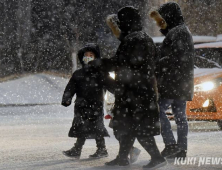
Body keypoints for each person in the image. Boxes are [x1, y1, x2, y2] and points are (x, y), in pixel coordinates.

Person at [89, 6, 167, 169]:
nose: (120, 25)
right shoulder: (140, 37)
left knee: (137, 127)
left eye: (122, 21)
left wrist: (100, 64)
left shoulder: (135, 39)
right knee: (127, 127)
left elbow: (124, 62)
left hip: (136, 92)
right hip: (137, 91)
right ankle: (123, 158)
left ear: (127, 22)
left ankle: (157, 158)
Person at [150, 2, 194, 160]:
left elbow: (174, 57)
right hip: (182, 81)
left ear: (169, 16)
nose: (161, 20)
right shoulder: (181, 30)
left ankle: (171, 145)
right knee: (180, 115)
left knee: (158, 110)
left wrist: (156, 64)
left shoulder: (178, 32)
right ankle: (181, 149)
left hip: (172, 81)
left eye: (163, 17)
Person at [61, 43, 115, 159]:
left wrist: (122, 92)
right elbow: (70, 87)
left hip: (96, 104)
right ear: (82, 57)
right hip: (81, 105)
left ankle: (101, 149)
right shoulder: (78, 74)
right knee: (81, 126)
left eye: (91, 55)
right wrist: (67, 98)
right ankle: (77, 149)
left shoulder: (100, 73)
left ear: (96, 58)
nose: (88, 57)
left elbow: (112, 85)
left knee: (97, 127)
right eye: (86, 55)